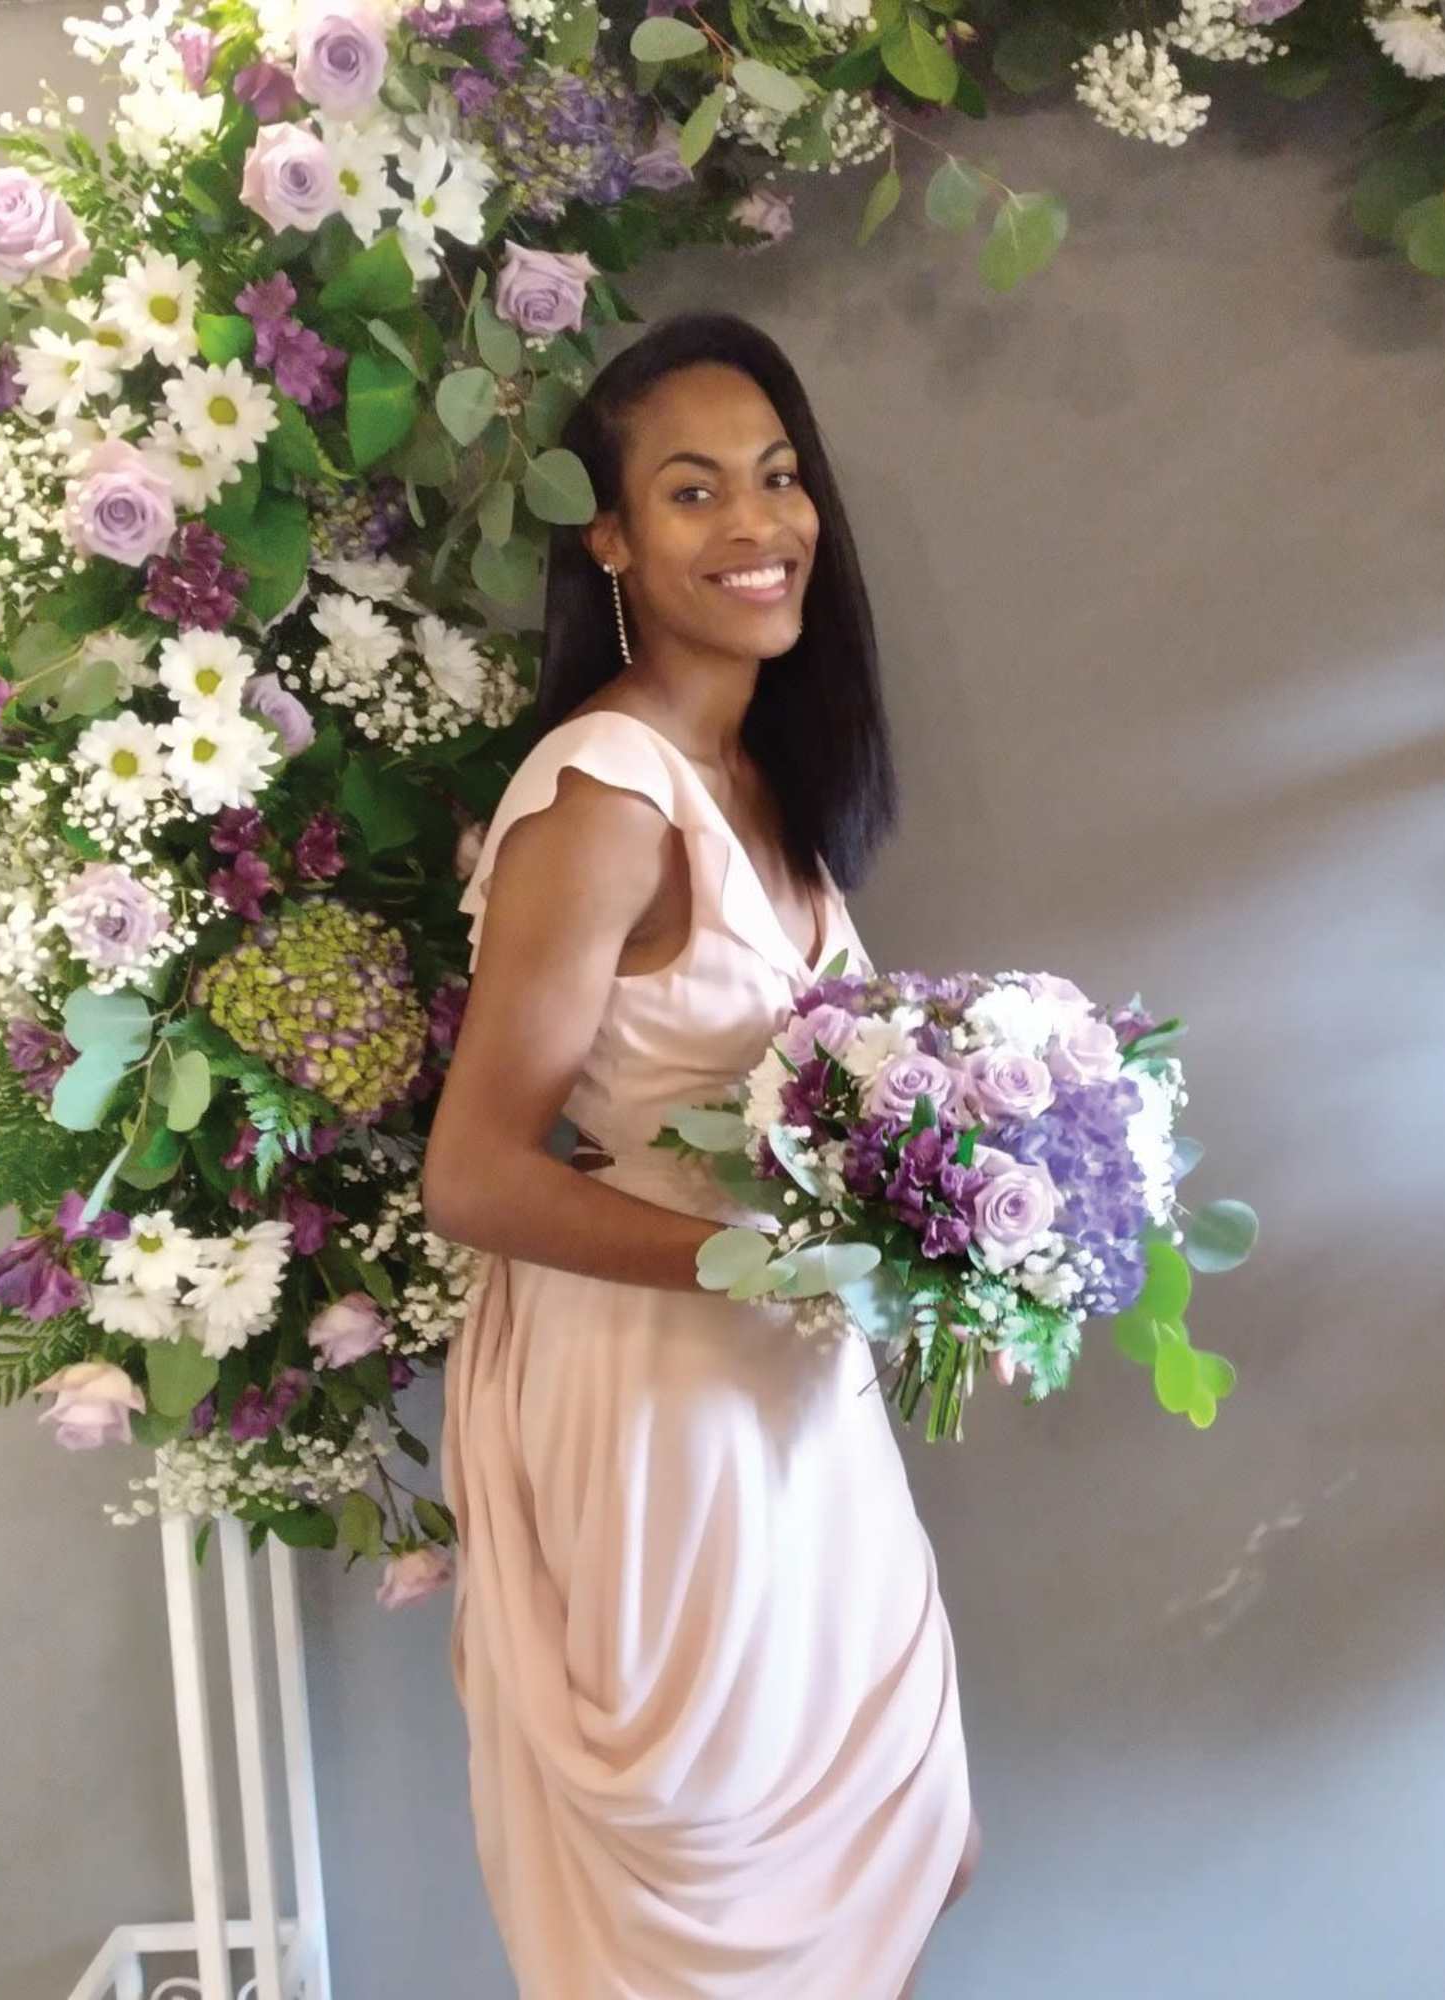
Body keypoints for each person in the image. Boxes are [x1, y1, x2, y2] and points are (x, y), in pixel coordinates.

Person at [426, 308, 979, 1999]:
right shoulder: (606, 795)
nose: (757, 522)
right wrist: (778, 1264)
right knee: (720, 1929)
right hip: (661, 1415)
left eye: (778, 475)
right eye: (692, 491)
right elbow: (474, 1175)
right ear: (607, 538)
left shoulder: (759, 778)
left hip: (799, 1406)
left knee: (885, 1864)